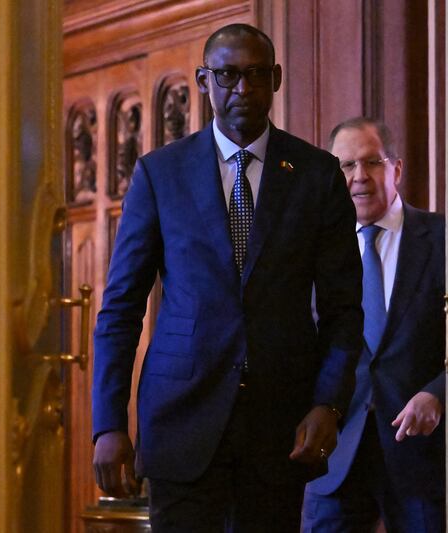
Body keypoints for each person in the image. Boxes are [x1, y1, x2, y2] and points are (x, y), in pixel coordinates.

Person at [91, 23, 363, 532]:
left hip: (281, 426)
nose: (243, 89)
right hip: (181, 420)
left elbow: (344, 310)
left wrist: (328, 402)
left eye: (256, 75)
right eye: (228, 75)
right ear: (202, 80)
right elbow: (121, 309)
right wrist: (108, 423)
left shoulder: (316, 174)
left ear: (276, 79)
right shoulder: (160, 174)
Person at [302, 118, 446, 532]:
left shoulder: (446, 239)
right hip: (334, 454)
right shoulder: (312, 251)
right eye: (346, 166)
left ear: (396, 169)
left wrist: (437, 393)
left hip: (420, 457)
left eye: (372, 163)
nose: (359, 177)